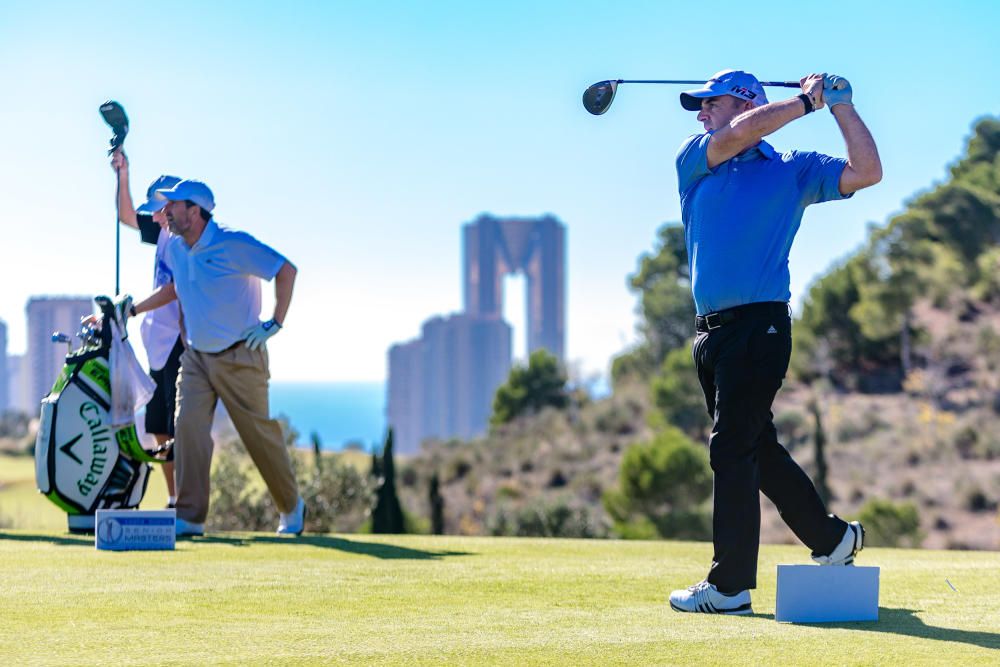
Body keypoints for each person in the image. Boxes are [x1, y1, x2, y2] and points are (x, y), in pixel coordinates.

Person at [667, 70, 882, 615]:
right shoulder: (697, 158)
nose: (700, 116)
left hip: (760, 327)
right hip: (709, 334)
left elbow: (868, 172)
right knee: (755, 445)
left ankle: (731, 585)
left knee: (732, 448)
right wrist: (804, 102)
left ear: (742, 102)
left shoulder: (794, 170)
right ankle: (833, 540)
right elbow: (733, 136)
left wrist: (840, 106)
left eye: (709, 104)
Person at [129, 179, 305, 537]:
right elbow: (178, 287)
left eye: (173, 205)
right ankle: (190, 515)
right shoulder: (177, 247)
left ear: (195, 211)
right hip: (196, 357)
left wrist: (275, 324)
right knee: (187, 430)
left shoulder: (232, 242)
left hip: (241, 355)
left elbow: (285, 270)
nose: (165, 212)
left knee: (258, 436)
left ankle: (291, 507)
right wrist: (137, 310)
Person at [110, 149, 183, 508]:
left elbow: (174, 290)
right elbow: (125, 216)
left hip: (180, 345)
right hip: (158, 345)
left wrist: (134, 308)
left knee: (178, 428)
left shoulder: (185, 240)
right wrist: (123, 174)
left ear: (174, 208)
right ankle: (173, 499)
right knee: (158, 428)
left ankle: (185, 502)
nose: (153, 213)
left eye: (159, 207)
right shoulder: (162, 231)